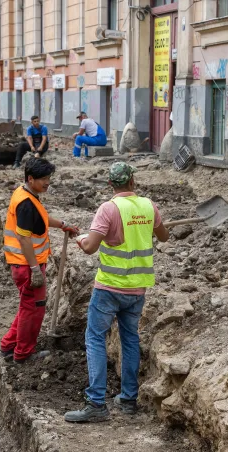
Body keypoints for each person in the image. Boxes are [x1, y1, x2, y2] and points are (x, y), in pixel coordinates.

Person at [64, 162, 169, 423]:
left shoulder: (108, 209)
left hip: (110, 287)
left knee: (95, 338)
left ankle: (96, 402)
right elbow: (164, 236)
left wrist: (80, 240)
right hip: (137, 289)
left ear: (111, 185)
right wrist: (152, 225)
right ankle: (128, 398)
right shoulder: (148, 206)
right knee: (130, 339)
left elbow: (90, 247)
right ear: (133, 181)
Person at [0, 158, 79, 364]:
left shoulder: (27, 194)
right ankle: (23, 354)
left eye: (49, 178)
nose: (47, 182)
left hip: (23, 264)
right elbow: (24, 238)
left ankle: (9, 346)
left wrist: (63, 224)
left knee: (28, 307)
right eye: (43, 179)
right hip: (27, 266)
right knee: (34, 310)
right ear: (30, 178)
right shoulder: (25, 204)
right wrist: (35, 269)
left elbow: (41, 219)